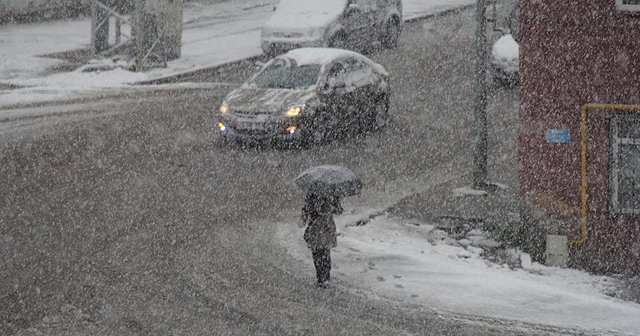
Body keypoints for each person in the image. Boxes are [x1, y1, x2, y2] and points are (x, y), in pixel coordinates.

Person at [301, 192, 342, 288]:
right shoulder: (332, 193)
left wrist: (306, 215)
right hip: (327, 227)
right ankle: (325, 277)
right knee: (325, 253)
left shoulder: (312, 194)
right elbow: (338, 210)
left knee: (317, 253)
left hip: (316, 228)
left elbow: (306, 211)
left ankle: (320, 277)